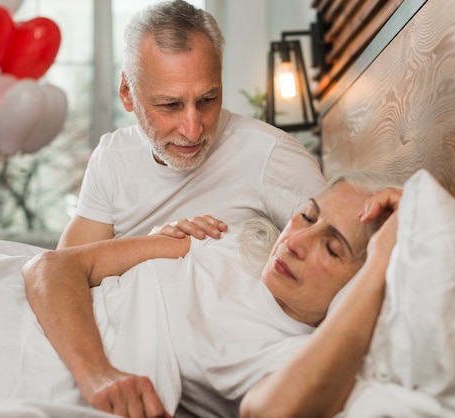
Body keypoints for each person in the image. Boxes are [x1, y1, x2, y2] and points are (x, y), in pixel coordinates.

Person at [23, 170, 402, 417]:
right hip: (34, 312)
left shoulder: (294, 356)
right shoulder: (228, 240)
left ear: (361, 281)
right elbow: (52, 267)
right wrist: (96, 373)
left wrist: (384, 261)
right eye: (306, 215)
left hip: (36, 373)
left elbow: (273, 412)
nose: (297, 242)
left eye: (333, 249)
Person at [57, 0, 325, 248]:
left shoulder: (271, 155)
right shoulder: (112, 158)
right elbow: (65, 269)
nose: (193, 130)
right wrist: (150, 248)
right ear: (128, 93)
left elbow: (341, 259)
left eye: (207, 99)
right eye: (170, 105)